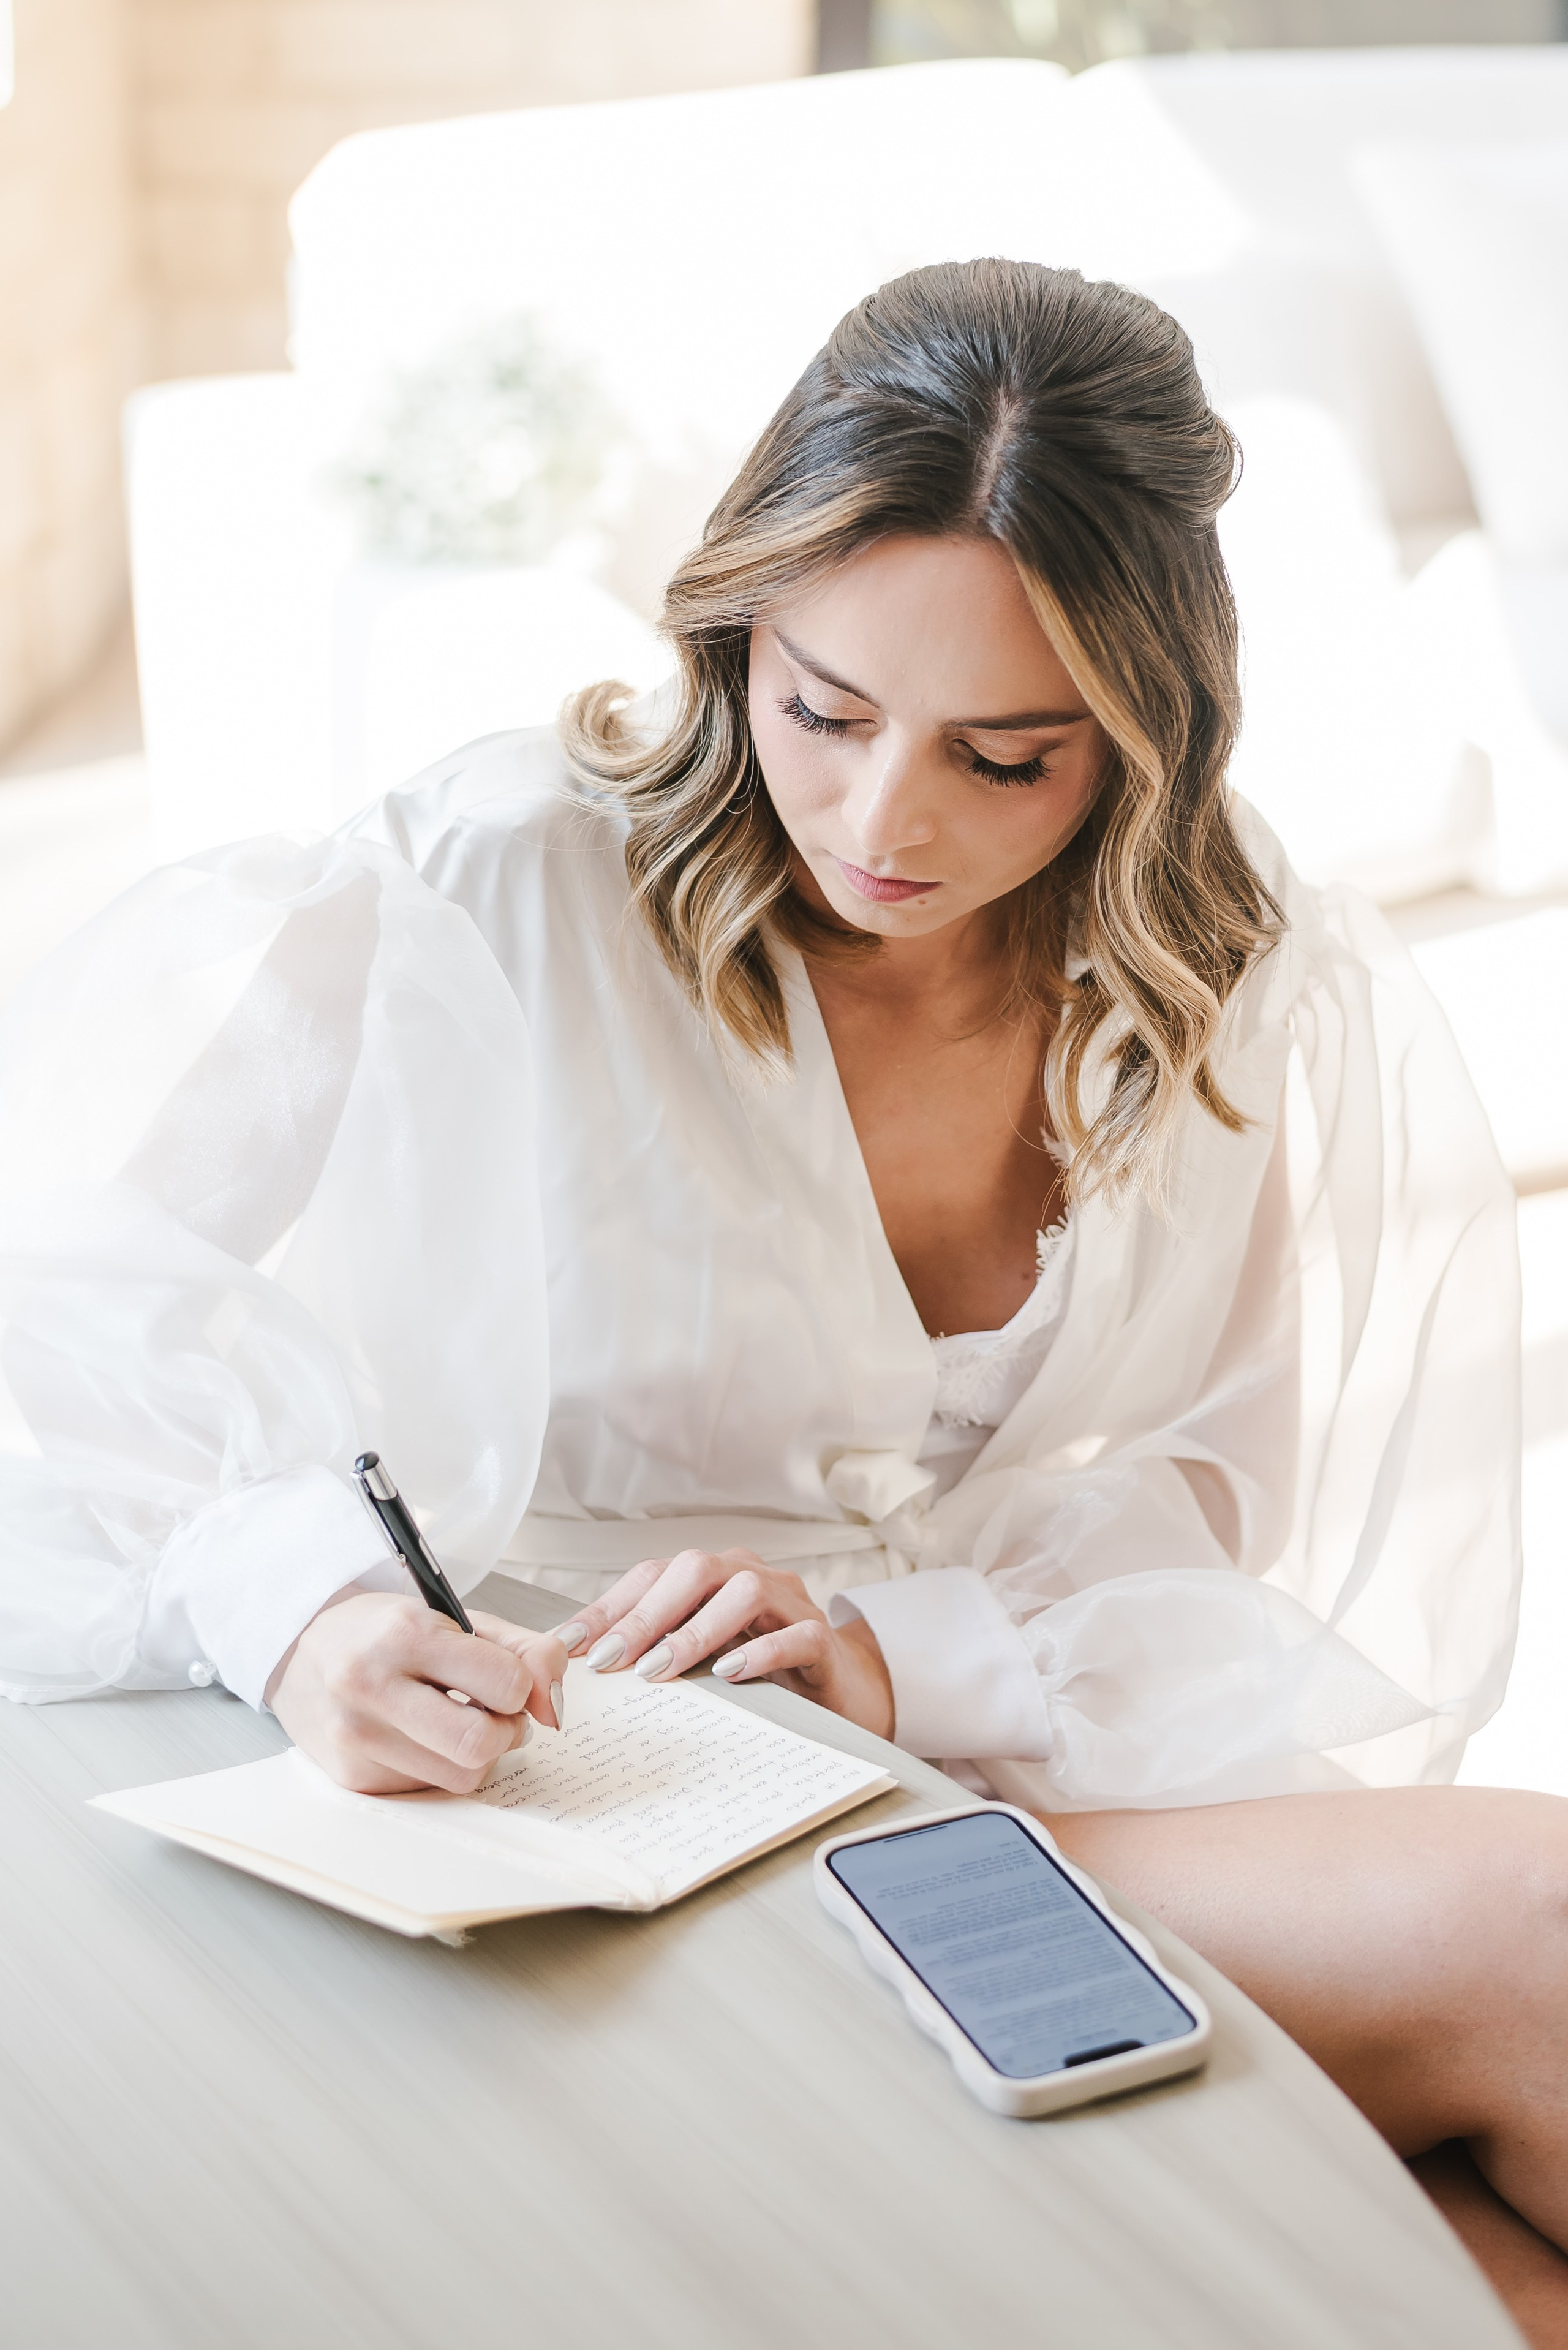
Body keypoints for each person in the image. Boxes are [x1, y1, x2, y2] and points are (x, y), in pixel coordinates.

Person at [0, 259, 1553, 2332]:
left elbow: (1213, 1478)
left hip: (969, 1778)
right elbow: (81, 1315)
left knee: (1474, 2214)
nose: (883, 820)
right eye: (820, 709)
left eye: (1009, 758)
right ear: (736, 626)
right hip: (564, 1801)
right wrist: (311, 1613)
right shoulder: (493, 871)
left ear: (1143, 742)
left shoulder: (1214, 964)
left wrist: (894, 1665)